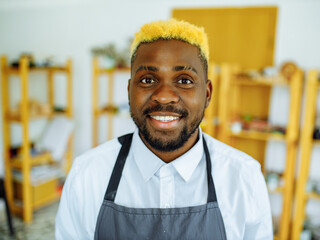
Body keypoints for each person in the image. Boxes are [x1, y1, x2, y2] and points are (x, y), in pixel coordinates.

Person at [55, 19, 272, 239]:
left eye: (185, 81)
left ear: (207, 94)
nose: (164, 95)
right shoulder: (87, 175)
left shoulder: (244, 178)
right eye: (148, 79)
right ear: (130, 91)